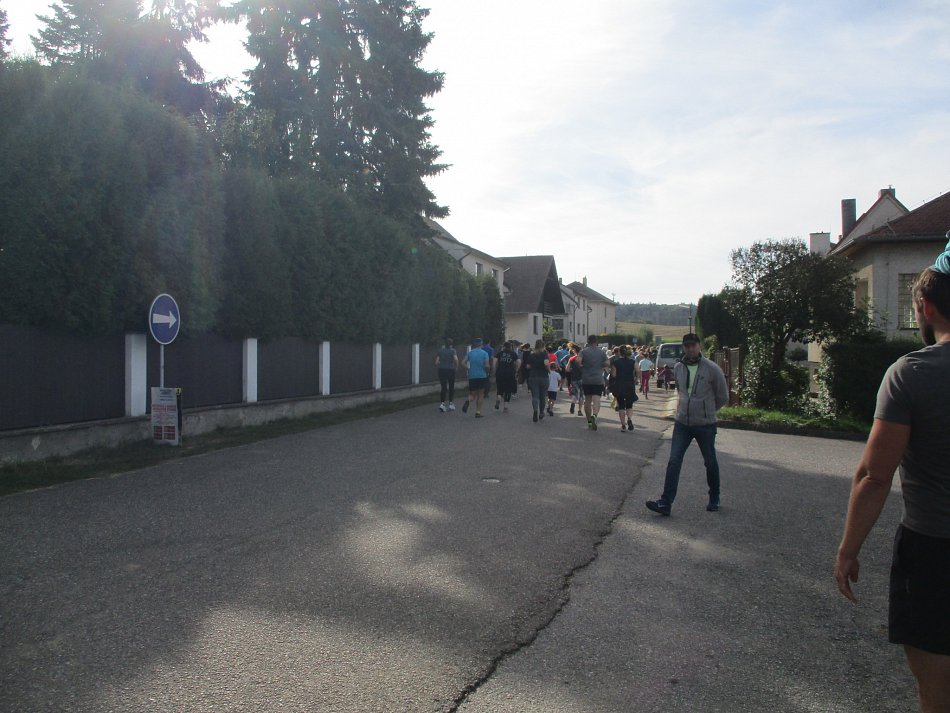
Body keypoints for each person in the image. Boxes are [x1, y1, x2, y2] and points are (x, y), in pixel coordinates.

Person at [834, 249, 950, 713]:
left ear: (926, 307)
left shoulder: (912, 374)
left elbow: (874, 476)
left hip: (934, 551)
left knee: (937, 692)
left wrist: (848, 550)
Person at [646, 333, 728, 515]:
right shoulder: (679, 368)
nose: (690, 349)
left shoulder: (712, 369)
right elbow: (680, 391)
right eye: (687, 346)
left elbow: (722, 396)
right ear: (684, 347)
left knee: (710, 461)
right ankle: (665, 503)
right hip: (682, 423)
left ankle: (714, 496)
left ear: (699, 346)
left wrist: (707, 410)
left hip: (705, 424)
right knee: (674, 461)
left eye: (693, 345)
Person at [575, 335, 610, 430]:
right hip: (598, 379)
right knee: (597, 400)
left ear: (588, 341)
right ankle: (594, 415)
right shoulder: (601, 352)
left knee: (587, 400)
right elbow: (607, 363)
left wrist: (581, 366)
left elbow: (577, 360)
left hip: (586, 379)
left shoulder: (583, 351)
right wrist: (602, 365)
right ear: (596, 342)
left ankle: (589, 422)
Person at [610, 345, 638, 432]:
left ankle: (623, 425)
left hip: (619, 385)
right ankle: (629, 419)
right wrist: (636, 379)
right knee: (629, 405)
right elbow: (638, 371)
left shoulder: (616, 362)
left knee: (621, 405)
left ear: (619, 352)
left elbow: (614, 375)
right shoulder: (633, 362)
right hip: (630, 385)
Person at [461, 338, 490, 418]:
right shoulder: (484, 353)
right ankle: (478, 412)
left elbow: (462, 362)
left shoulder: (470, 353)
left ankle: (468, 400)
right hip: (482, 376)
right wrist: (487, 371)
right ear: (481, 344)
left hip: (472, 376)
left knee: (472, 394)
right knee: (481, 394)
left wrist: (469, 368)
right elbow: (487, 366)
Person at [523, 339, 551, 422]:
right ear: (543, 346)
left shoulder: (532, 355)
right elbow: (546, 363)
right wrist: (548, 369)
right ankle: (541, 412)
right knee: (542, 396)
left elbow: (527, 366)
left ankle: (535, 411)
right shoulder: (544, 354)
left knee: (535, 396)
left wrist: (534, 366)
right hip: (544, 377)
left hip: (533, 377)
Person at [493, 341, 521, 412]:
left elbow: (494, 360)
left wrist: (494, 369)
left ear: (504, 347)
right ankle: (505, 407)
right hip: (510, 373)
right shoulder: (513, 353)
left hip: (500, 372)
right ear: (510, 347)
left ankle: (499, 398)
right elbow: (519, 361)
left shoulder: (500, 353)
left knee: (500, 387)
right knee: (508, 390)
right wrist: (516, 370)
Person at [435, 338, 459, 412]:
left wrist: (441, 365)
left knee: (443, 387)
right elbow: (456, 359)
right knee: (451, 387)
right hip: (450, 370)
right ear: (451, 344)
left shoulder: (440, 350)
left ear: (445, 344)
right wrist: (456, 367)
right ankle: (451, 404)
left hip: (442, 370)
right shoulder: (453, 351)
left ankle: (442, 404)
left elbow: (436, 362)